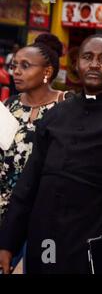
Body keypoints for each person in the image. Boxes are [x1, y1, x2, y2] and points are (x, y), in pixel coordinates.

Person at [0, 34, 102, 274]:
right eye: (87, 57)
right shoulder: (56, 114)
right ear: (77, 65)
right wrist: (7, 243)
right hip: (43, 236)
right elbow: (28, 184)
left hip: (93, 239)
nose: (94, 64)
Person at [0, 33, 66, 223]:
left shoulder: (67, 104)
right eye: (14, 66)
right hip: (5, 209)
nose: (16, 72)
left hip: (43, 212)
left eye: (25, 66)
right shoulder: (9, 105)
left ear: (47, 72)